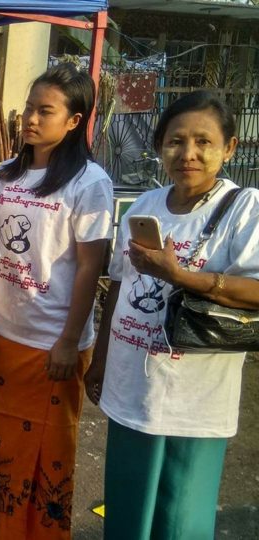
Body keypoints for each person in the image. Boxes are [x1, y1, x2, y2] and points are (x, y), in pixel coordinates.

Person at [85, 91, 259, 538]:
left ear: (230, 148)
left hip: (194, 399)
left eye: (204, 141)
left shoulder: (246, 210)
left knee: (180, 517)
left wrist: (182, 276)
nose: (188, 154)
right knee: (127, 508)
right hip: (131, 385)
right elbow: (121, 287)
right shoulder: (145, 206)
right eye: (175, 141)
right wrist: (101, 359)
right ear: (160, 146)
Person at [0, 63, 114, 538]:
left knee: (49, 450)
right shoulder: (2, 177)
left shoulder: (89, 183)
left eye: (45, 111)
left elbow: (89, 268)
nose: (30, 119)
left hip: (53, 340)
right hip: (1, 332)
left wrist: (69, 339)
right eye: (30, 108)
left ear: (74, 121)